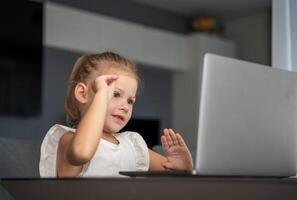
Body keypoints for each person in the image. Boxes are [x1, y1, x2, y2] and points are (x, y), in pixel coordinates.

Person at [39, 52, 193, 177]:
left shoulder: (132, 145)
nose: (125, 107)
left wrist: (182, 167)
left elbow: (170, 172)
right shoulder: (69, 139)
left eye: (130, 101)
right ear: (82, 94)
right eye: (115, 94)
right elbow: (83, 152)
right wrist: (102, 95)